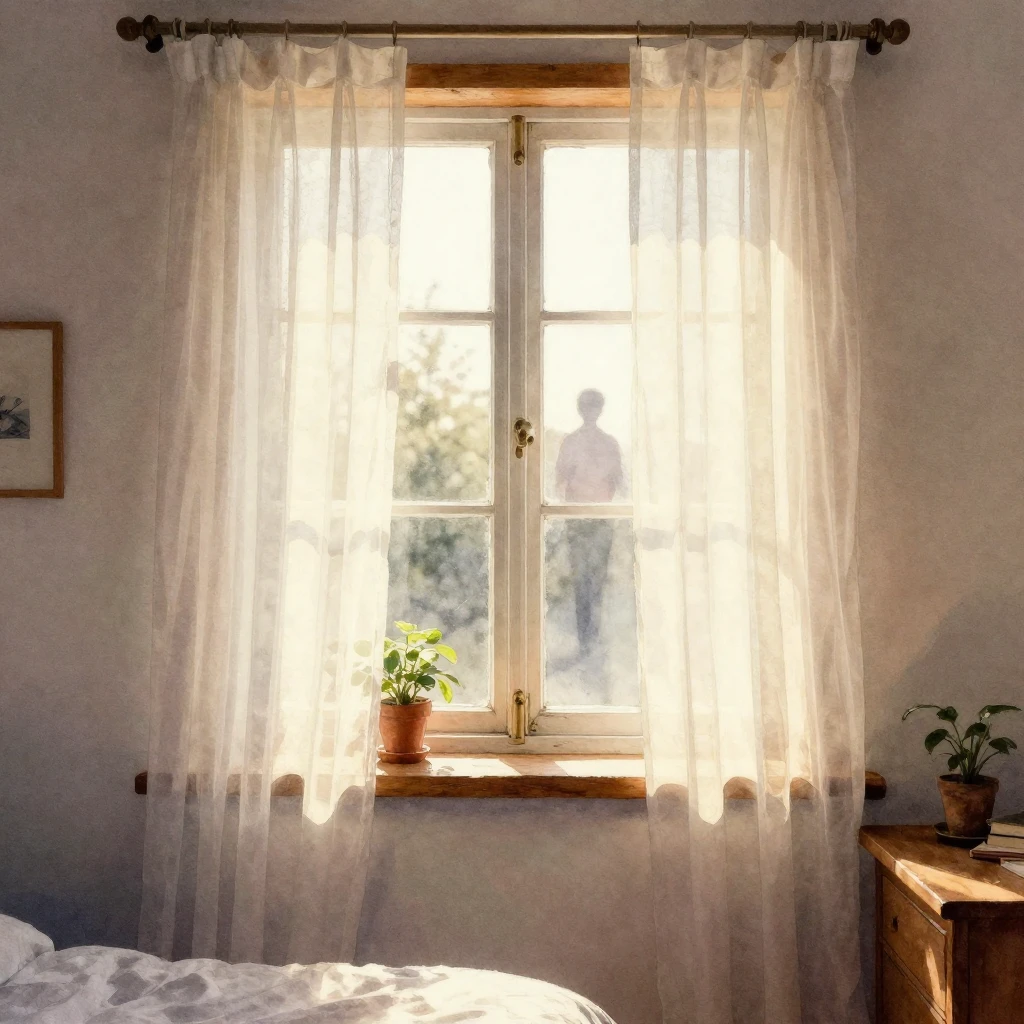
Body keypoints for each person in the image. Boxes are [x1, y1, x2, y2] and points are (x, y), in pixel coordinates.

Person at [554, 389, 622, 655]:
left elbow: (562, 481)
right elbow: (562, 481)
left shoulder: (583, 442)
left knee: (591, 578)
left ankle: (590, 637)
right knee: (587, 578)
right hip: (584, 518)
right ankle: (587, 637)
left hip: (593, 517)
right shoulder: (585, 442)